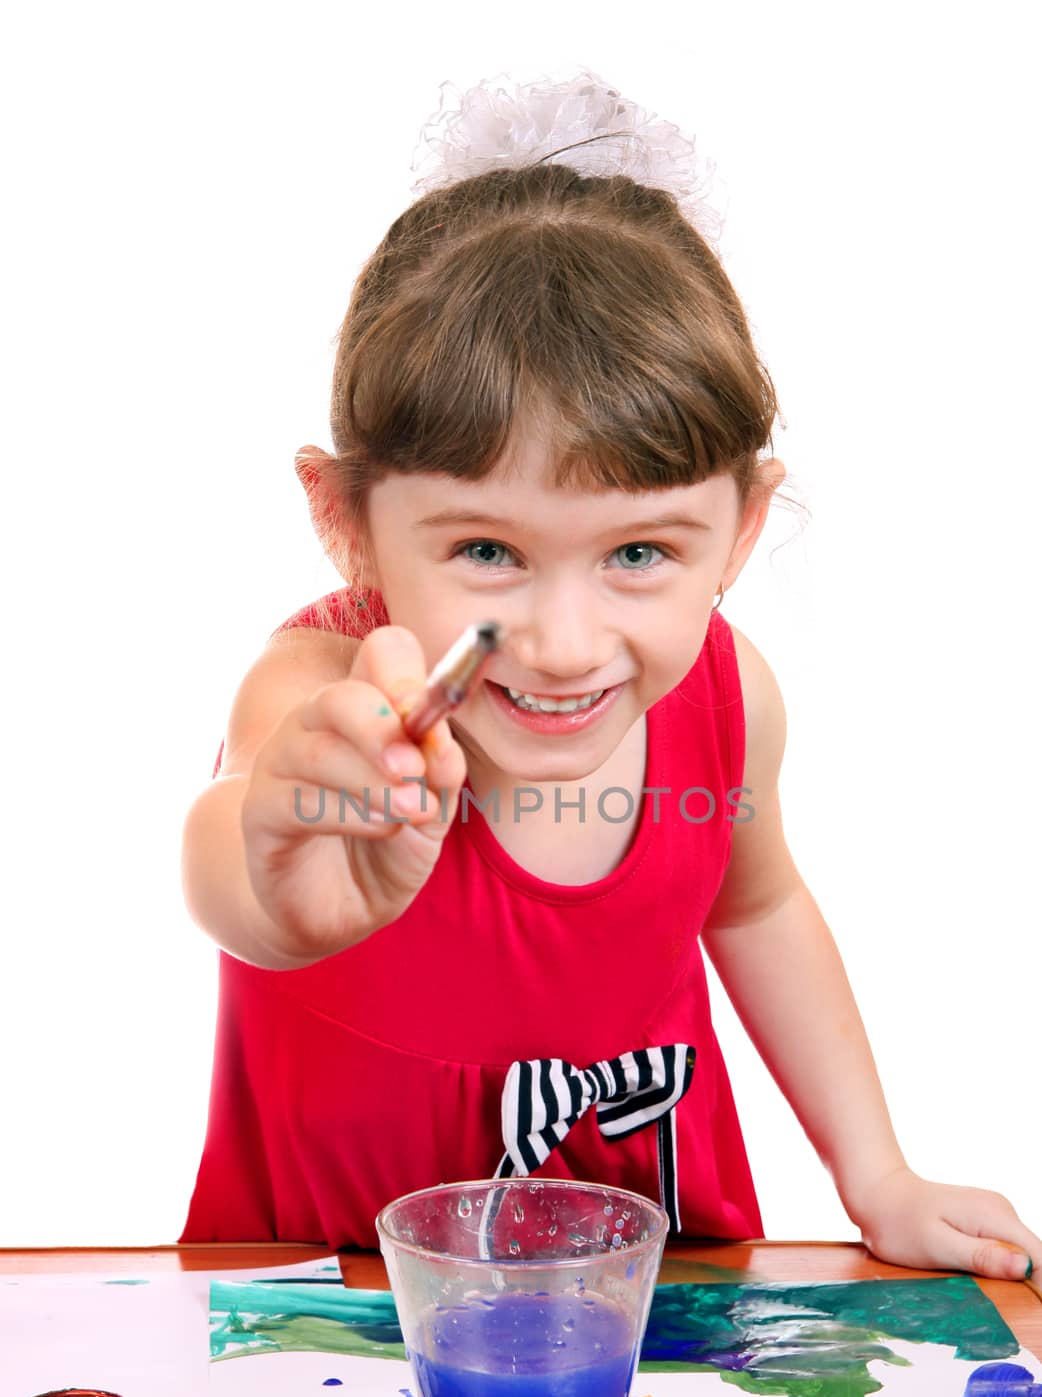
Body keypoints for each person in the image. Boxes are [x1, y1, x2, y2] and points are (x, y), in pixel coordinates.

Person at [180, 69, 1039, 1275]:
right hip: (340, 1287)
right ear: (350, 520)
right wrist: (277, 851)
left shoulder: (732, 702)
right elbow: (235, 860)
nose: (564, 640)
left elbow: (758, 905)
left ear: (740, 528)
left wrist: (878, 1173)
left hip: (643, 1274)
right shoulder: (320, 692)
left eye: (638, 552)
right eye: (487, 550)